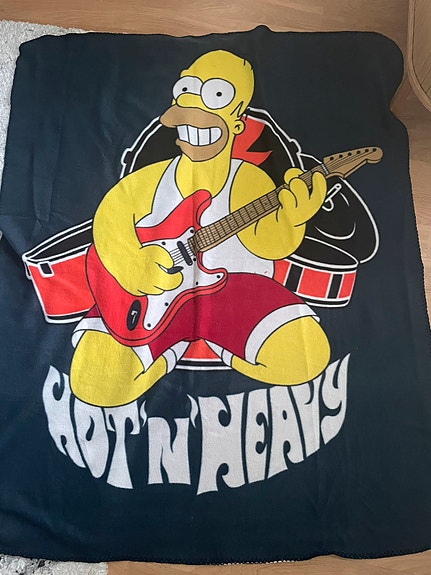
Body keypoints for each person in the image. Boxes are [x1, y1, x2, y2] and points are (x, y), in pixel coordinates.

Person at [70, 50, 330, 407]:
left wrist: (293, 219)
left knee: (308, 356)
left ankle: (218, 343)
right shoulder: (149, 180)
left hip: (237, 291)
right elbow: (110, 220)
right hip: (150, 297)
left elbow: (267, 245)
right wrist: (131, 265)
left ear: (238, 122)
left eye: (216, 97)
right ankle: (171, 352)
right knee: (92, 382)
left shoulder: (250, 180)